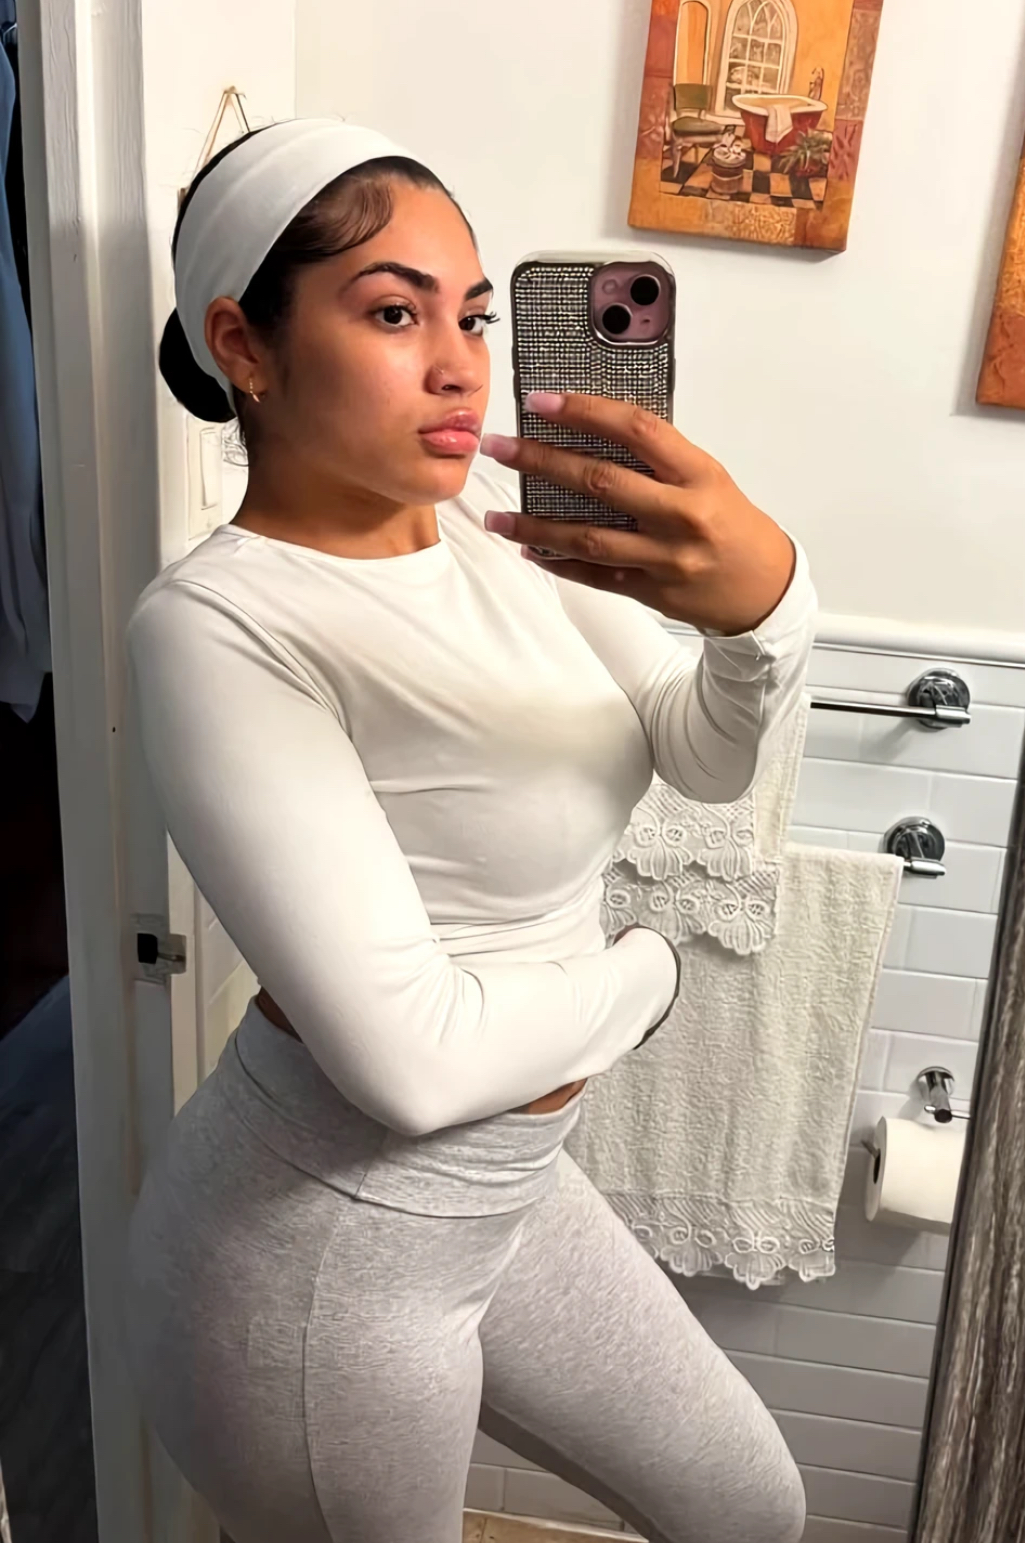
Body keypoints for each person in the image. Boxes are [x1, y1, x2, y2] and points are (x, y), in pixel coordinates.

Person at [124, 117, 817, 1543]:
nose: (459, 364)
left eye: (475, 315)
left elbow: (698, 752)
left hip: (508, 1199)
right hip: (318, 1253)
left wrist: (763, 612)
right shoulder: (218, 626)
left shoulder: (497, 532)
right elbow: (413, 1064)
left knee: (750, 1507)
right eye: (394, 313)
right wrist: (648, 976)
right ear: (244, 345)